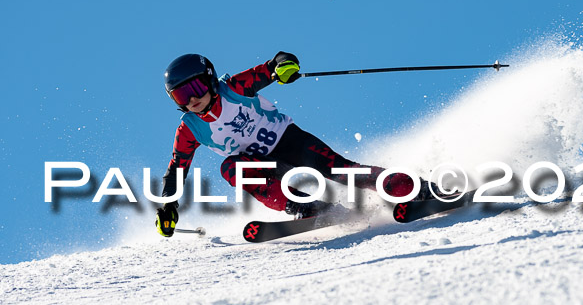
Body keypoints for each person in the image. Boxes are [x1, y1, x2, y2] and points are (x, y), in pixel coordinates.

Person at [155, 52, 437, 237]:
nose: (191, 100)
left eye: (194, 89)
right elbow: (177, 168)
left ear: (209, 79)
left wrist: (282, 67)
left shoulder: (235, 88)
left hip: (291, 142)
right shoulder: (189, 130)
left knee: (344, 171)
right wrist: (168, 207)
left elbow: (273, 64)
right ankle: (306, 207)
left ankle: (416, 189)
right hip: (263, 166)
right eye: (180, 96)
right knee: (230, 168)